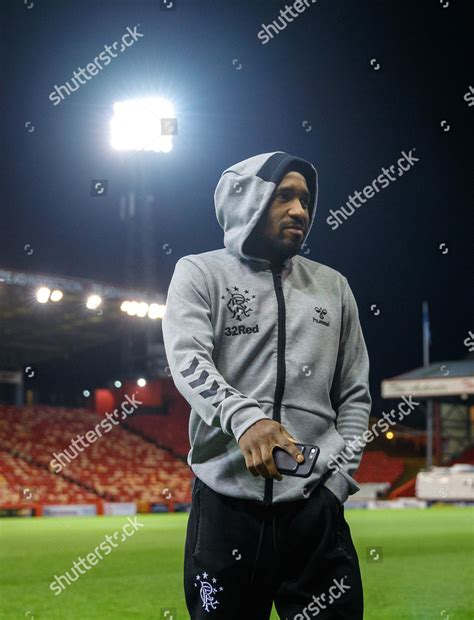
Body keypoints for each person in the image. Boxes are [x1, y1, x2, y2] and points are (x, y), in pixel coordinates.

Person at [162, 151, 371, 619]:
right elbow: (188, 361)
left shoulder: (333, 286)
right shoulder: (199, 273)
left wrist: (336, 482)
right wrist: (246, 419)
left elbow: (355, 394)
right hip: (225, 513)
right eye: (284, 197)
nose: (301, 210)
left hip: (315, 512)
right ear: (248, 201)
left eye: (305, 199)